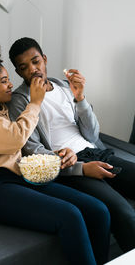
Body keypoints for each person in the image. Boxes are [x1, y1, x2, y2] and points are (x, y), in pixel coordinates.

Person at [0, 37, 110, 265]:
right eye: (4, 81)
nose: (10, 85)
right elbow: (14, 140)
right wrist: (34, 103)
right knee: (71, 216)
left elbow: (26, 150)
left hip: (23, 176)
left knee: (98, 210)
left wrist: (58, 157)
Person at [7, 37, 135, 253]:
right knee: (123, 212)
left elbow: (92, 133)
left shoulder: (63, 86)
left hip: (97, 152)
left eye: (36, 61)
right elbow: (32, 150)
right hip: (71, 167)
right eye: (24, 67)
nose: (33, 69)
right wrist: (76, 166)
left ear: (45, 59)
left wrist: (81, 98)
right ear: (19, 73)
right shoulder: (20, 101)